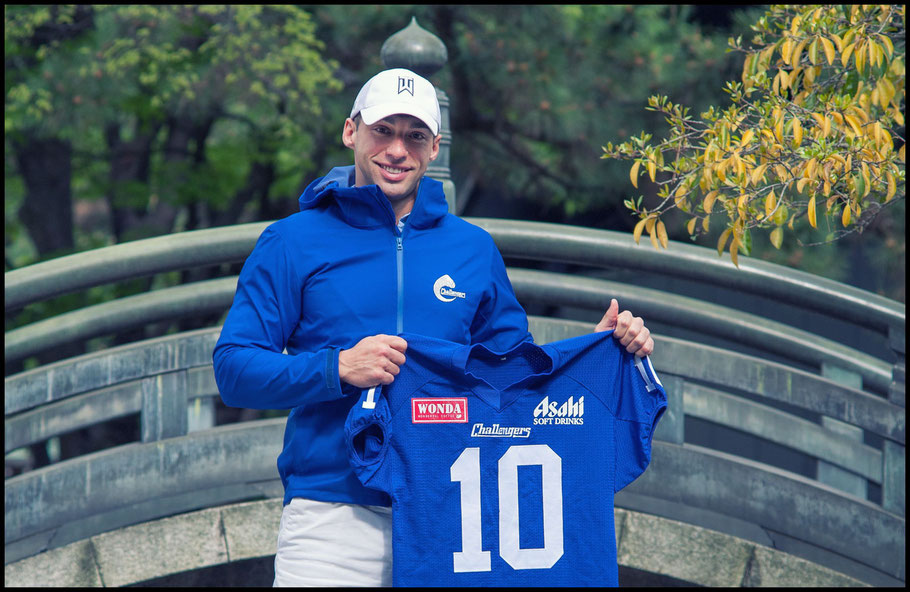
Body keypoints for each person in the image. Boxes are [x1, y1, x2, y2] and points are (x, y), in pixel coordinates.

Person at [212, 67, 654, 587]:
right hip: (332, 517)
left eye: (414, 136)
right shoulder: (291, 241)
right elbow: (235, 368)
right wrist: (337, 368)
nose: (397, 149)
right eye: (384, 130)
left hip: (452, 518)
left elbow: (509, 382)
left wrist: (595, 352)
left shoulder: (471, 249)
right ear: (351, 131)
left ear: (434, 148)